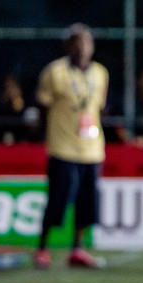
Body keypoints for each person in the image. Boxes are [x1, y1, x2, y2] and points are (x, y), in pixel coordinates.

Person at [34, 24, 108, 269]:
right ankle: (42, 247)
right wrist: (48, 134)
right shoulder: (55, 72)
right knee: (58, 198)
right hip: (62, 146)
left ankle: (77, 248)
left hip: (91, 148)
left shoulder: (100, 73)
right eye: (76, 42)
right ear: (67, 46)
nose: (81, 47)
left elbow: (98, 108)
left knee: (87, 201)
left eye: (85, 42)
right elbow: (43, 107)